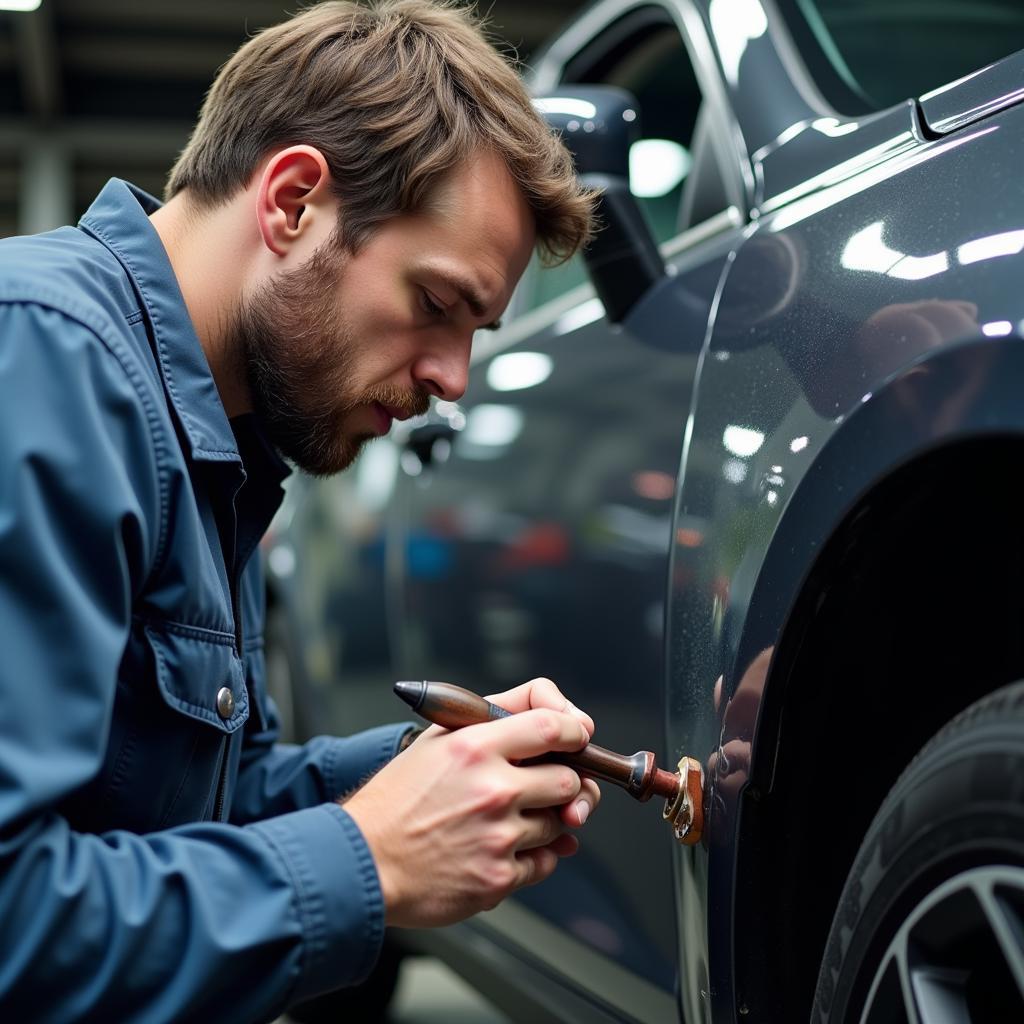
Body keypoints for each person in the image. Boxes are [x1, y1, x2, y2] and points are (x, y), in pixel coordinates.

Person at [0, 2, 600, 1020]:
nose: (452, 380)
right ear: (292, 203)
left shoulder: (219, 440)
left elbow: (196, 811)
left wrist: (423, 772)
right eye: (436, 304)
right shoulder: (43, 365)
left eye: (476, 332)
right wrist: (369, 857)